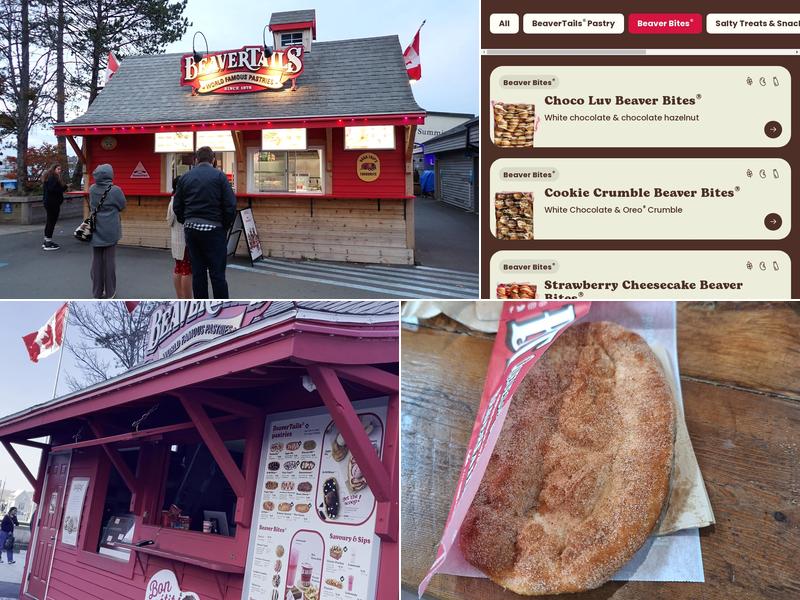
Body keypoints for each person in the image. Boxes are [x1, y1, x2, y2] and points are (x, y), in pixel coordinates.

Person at [173, 146, 236, 299]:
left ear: (196, 160)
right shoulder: (220, 176)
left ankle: (201, 304)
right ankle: (221, 305)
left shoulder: (185, 177)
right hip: (214, 229)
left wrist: (186, 220)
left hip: (192, 229)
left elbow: (177, 206)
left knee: (198, 273)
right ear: (213, 159)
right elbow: (230, 205)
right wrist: (224, 226)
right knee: (217, 274)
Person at [89, 164, 127, 298]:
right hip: (110, 229)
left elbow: (92, 206)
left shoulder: (92, 189)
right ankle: (110, 292)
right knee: (109, 261)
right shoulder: (115, 190)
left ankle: (97, 292)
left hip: (95, 227)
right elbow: (122, 206)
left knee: (96, 261)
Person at [166, 176, 192, 298]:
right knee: (187, 270)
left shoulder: (172, 200)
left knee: (178, 268)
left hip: (175, 239)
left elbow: (169, 220)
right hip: (184, 240)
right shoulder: (182, 201)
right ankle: (187, 299)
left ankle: (180, 296)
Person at [41, 163, 69, 251]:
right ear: (53, 169)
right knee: (51, 221)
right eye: (58, 169)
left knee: (49, 221)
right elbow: (52, 189)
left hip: (49, 202)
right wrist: (63, 187)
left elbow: (51, 189)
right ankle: (48, 242)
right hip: (53, 203)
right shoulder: (53, 177)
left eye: (60, 169)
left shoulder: (48, 177)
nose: (59, 171)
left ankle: (46, 240)